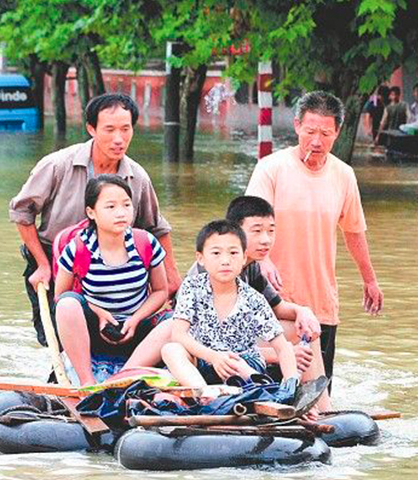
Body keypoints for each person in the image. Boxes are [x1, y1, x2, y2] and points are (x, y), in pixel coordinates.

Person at [9, 93, 182, 347]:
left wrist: (172, 275)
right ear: (91, 128)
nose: (118, 139)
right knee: (58, 338)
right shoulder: (58, 165)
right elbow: (22, 213)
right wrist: (42, 265)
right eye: (109, 130)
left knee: (117, 336)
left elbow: (156, 227)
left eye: (125, 129)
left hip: (114, 268)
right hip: (56, 261)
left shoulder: (137, 177)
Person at [246, 90, 384, 390]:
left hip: (320, 302)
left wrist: (370, 280)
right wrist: (264, 260)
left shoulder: (344, 175)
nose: (317, 141)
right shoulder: (271, 168)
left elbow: (353, 231)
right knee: (270, 392)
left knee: (318, 395)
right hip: (272, 302)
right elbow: (249, 223)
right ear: (297, 126)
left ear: (337, 132)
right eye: (310, 132)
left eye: (325, 133)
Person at [185, 196, 330, 410]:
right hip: (204, 349)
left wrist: (303, 312)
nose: (266, 240)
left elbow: (278, 309)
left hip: (239, 343)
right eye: (257, 231)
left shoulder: (251, 267)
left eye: (271, 231)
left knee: (304, 329)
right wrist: (280, 354)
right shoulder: (212, 271)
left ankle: (321, 406)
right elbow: (211, 337)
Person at [53, 175, 172, 386]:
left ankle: (121, 378)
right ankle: (87, 382)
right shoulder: (77, 248)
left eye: (126, 205)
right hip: (95, 332)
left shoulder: (145, 242)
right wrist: (98, 313)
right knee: (67, 305)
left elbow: (161, 291)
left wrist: (135, 319)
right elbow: (60, 295)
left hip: (138, 332)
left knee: (175, 322)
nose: (121, 213)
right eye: (110, 206)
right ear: (91, 212)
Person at [162, 220, 298, 388]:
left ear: (244, 258)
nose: (225, 261)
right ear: (200, 258)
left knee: (238, 363)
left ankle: (260, 387)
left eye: (233, 253)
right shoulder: (191, 287)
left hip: (243, 363)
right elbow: (179, 335)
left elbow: (283, 348)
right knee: (171, 350)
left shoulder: (254, 299)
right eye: (216, 253)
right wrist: (213, 357)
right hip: (206, 359)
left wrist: (291, 383)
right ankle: (205, 393)